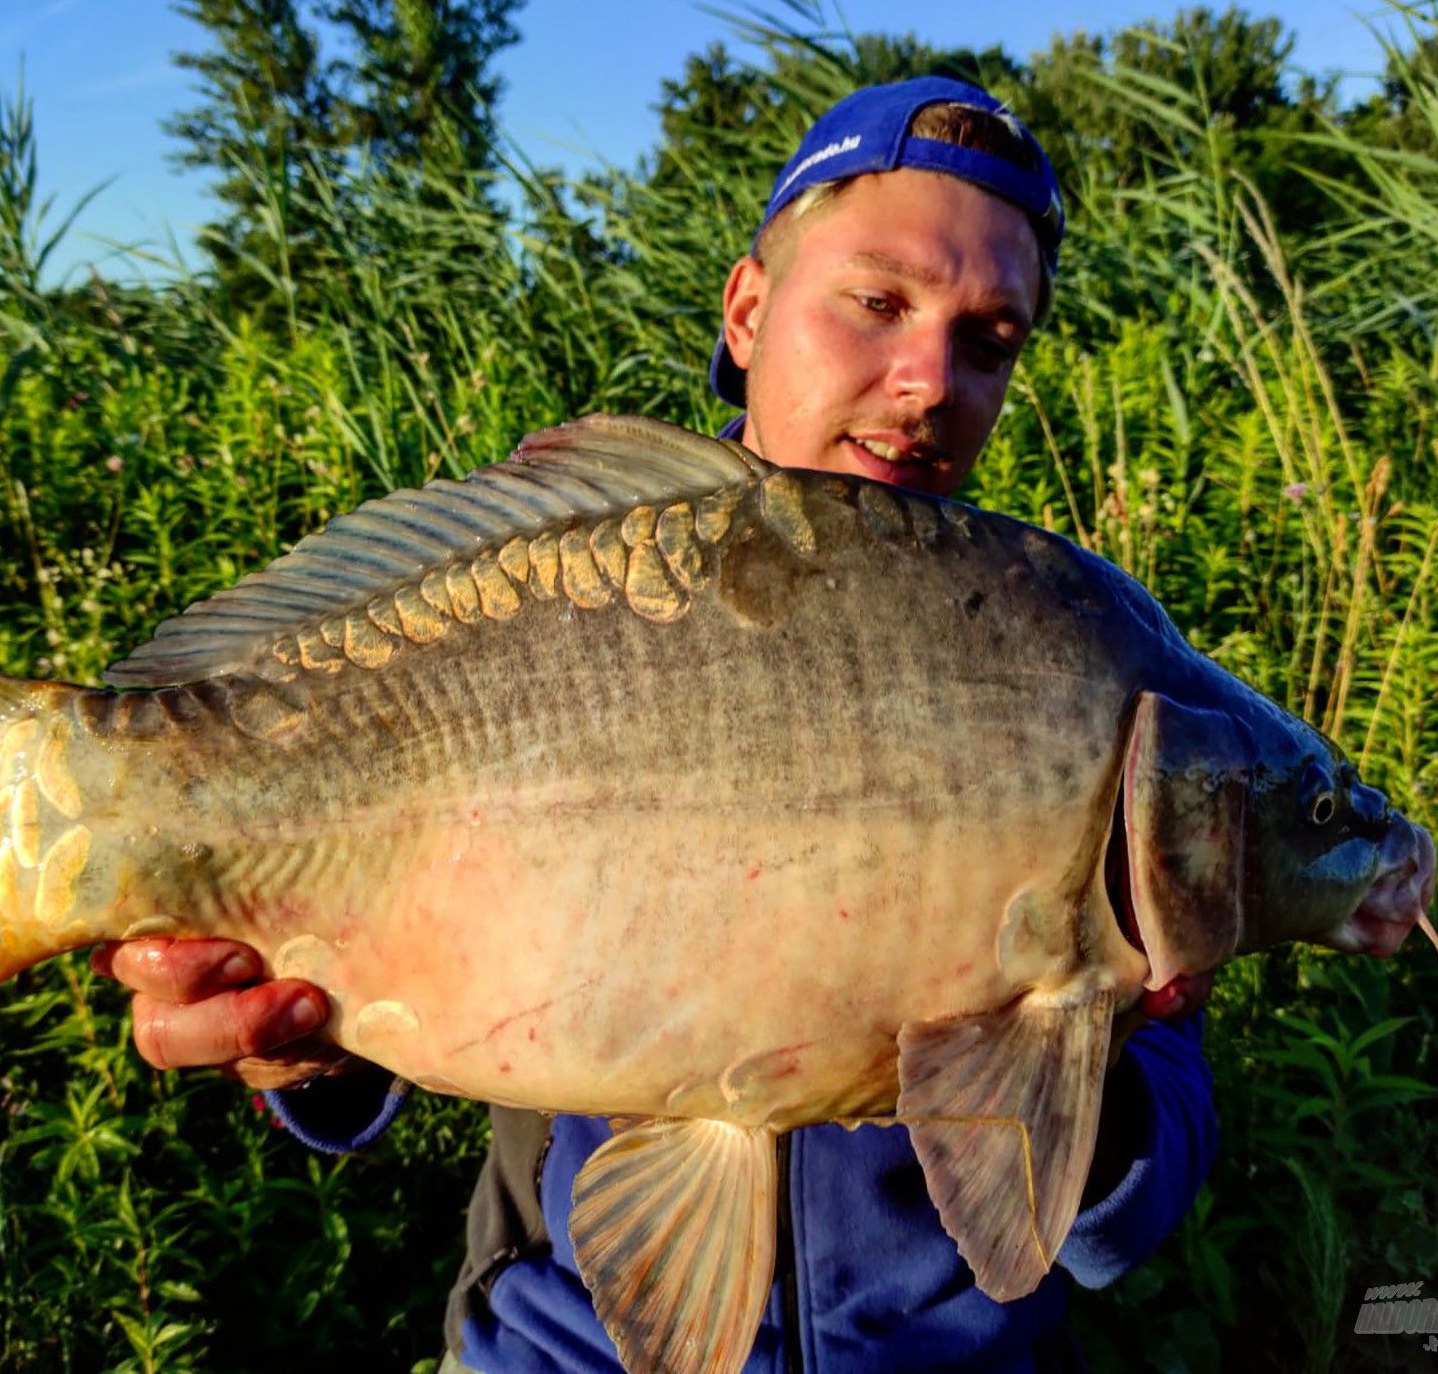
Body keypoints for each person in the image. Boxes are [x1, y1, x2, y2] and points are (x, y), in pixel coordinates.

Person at [91, 76, 1218, 1372]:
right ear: (748, 310)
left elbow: (1127, 1216)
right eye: (877, 302)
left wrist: (1094, 1051)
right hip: (561, 1343)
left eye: (991, 338)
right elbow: (404, 1001)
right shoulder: (578, 583)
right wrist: (303, 1055)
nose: (928, 380)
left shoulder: (1062, 652)